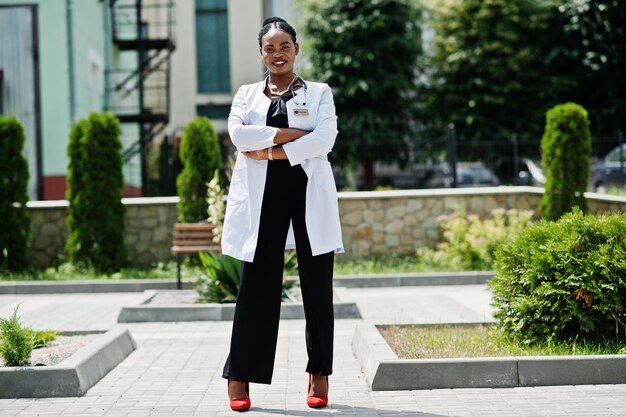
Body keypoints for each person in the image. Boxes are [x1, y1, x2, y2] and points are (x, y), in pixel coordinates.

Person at [220, 17, 344, 412]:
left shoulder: (319, 92)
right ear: (261, 53)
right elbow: (239, 136)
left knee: (317, 282)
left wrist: (271, 148)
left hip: (308, 191)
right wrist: (296, 136)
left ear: (296, 49)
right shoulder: (246, 94)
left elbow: (326, 139)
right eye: (269, 47)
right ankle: (240, 374)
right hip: (263, 195)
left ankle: (319, 372)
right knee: (257, 284)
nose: (277, 54)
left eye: (284, 45)